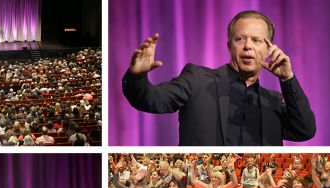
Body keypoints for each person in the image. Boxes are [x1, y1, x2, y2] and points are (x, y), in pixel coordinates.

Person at [122, 10, 315, 146]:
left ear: (268, 49)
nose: (247, 46)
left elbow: (305, 130)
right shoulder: (197, 79)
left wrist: (288, 80)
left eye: (256, 40)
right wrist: (137, 77)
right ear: (229, 45)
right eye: (240, 39)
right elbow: (151, 99)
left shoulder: (273, 101)